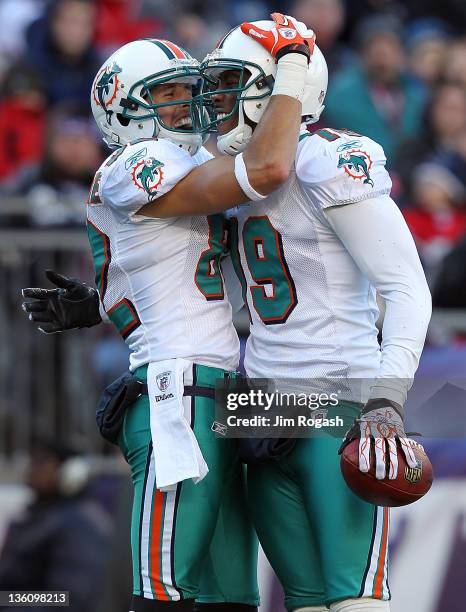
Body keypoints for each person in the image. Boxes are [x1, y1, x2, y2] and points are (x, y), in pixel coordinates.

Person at [23, 18, 432, 612]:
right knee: (302, 601)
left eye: (231, 84)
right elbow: (194, 270)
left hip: (335, 394)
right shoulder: (227, 176)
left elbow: (407, 288)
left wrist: (387, 397)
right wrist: (110, 297)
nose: (211, 101)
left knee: (354, 602)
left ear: (282, 87)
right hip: (259, 407)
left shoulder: (326, 162)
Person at [0, 438, 112, 612]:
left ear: (69, 472)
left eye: (42, 462)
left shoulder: (78, 525)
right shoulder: (34, 517)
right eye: (33, 461)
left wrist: (7, 600)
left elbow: (66, 598)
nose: (33, 469)